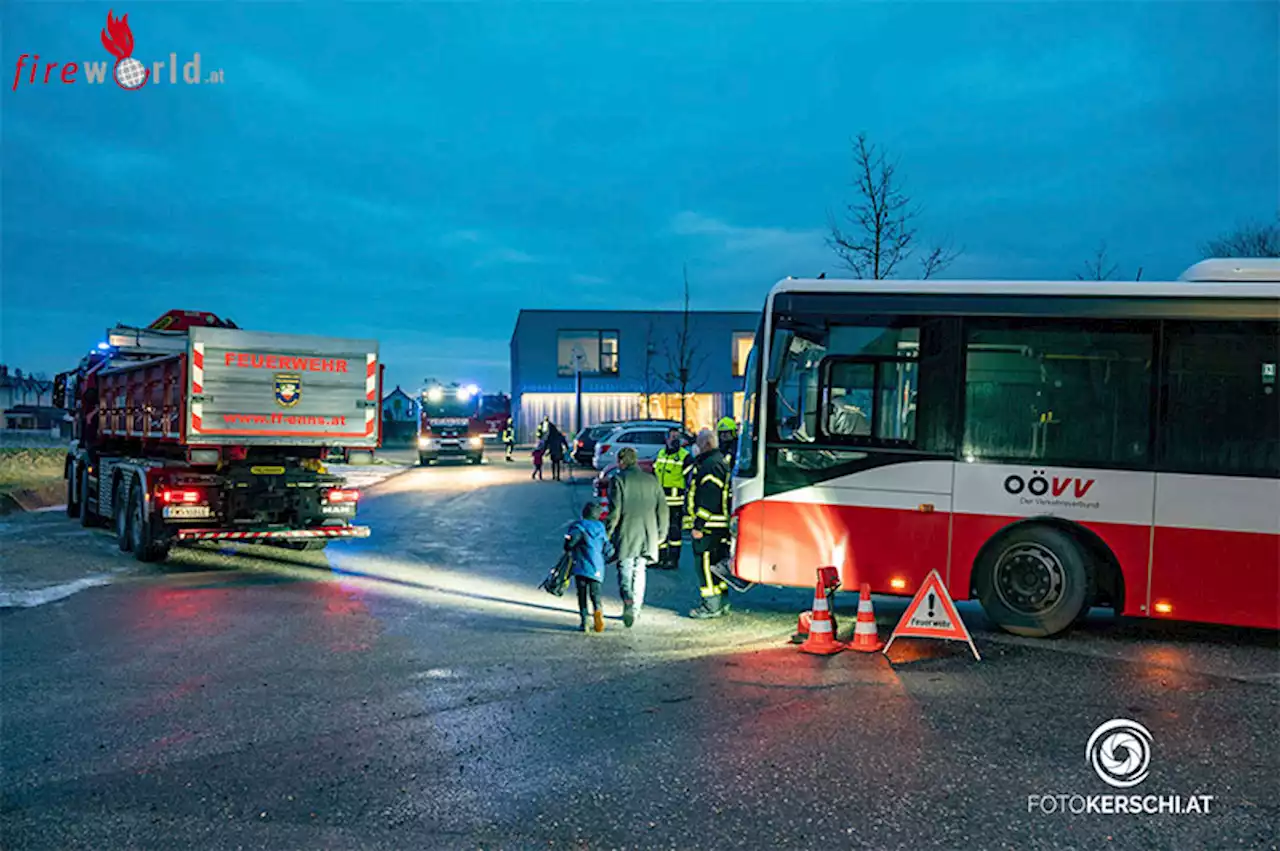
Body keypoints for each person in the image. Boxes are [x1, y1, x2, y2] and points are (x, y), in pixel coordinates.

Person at [604, 447, 666, 628]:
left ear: (622, 462)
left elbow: (615, 512)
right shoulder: (652, 480)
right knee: (640, 571)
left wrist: (607, 534)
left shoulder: (618, 480)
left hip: (627, 532)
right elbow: (662, 508)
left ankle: (628, 601)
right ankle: (636, 609)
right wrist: (662, 533)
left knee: (625, 568)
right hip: (648, 534)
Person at [688, 428, 732, 619]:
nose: (695, 447)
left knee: (704, 565)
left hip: (709, 526)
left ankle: (710, 606)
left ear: (705, 445)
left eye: (698, 443)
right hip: (720, 524)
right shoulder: (718, 462)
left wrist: (699, 525)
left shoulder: (710, 466)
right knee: (717, 564)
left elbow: (709, 497)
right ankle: (722, 601)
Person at [565, 500, 614, 633]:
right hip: (597, 567)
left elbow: (570, 544)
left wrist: (568, 542)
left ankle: (584, 620)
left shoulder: (579, 526)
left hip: (581, 566)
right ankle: (598, 612)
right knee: (596, 594)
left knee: (582, 594)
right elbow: (608, 549)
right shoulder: (601, 528)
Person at [652, 429, 693, 569]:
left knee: (674, 532)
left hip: (676, 502)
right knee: (659, 530)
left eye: (678, 437)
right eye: (672, 437)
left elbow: (690, 480)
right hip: (659, 500)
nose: (675, 440)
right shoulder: (661, 454)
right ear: (666, 439)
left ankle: (672, 560)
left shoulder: (685, 456)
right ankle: (660, 557)